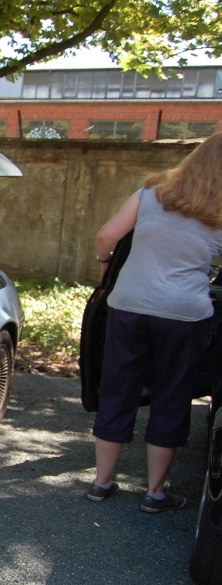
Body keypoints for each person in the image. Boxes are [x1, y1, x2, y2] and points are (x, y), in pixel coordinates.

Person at [87, 133, 222, 512]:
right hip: (184, 315)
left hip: (130, 306)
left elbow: (106, 235)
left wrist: (104, 264)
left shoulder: (149, 195)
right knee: (171, 395)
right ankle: (155, 493)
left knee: (118, 390)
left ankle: (101, 483)